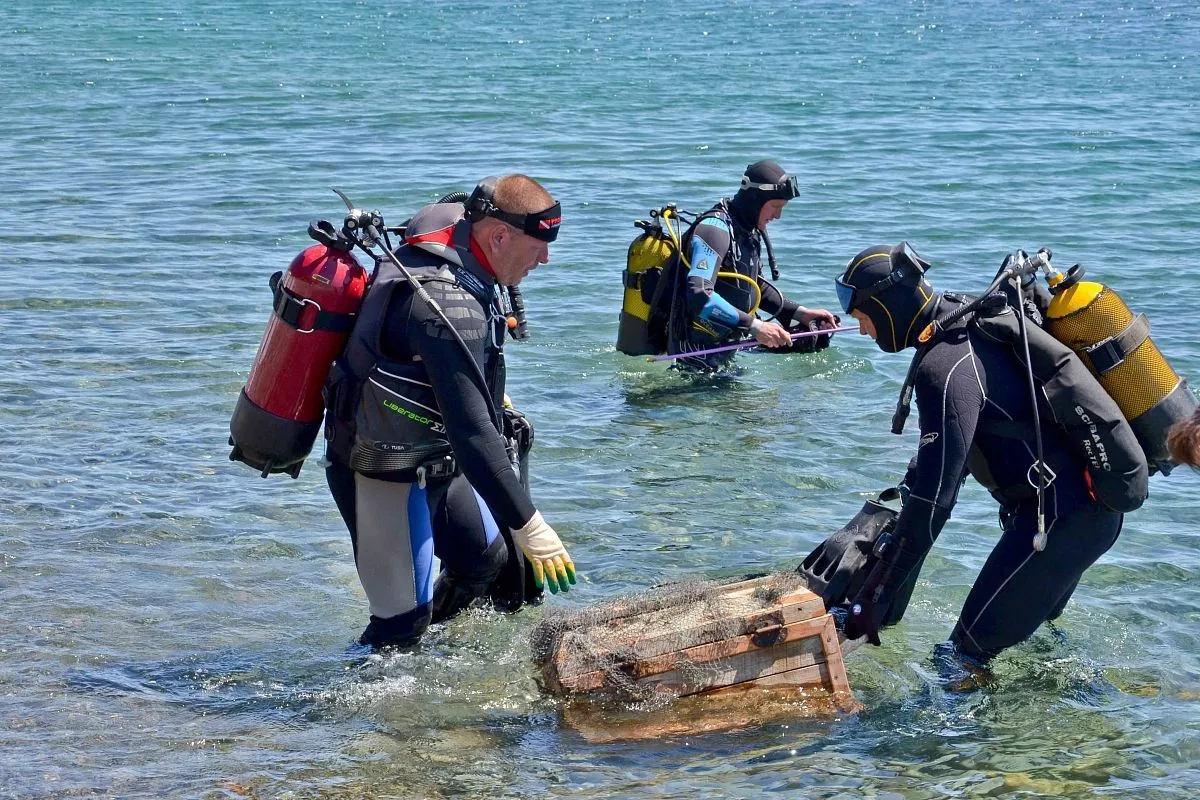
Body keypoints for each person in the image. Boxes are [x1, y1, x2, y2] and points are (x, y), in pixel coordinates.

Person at [830, 242, 1136, 664]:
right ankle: (1066, 722)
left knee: (961, 656)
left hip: (1061, 521)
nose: (863, 330)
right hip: (1078, 511)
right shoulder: (963, 320)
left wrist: (876, 594)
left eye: (862, 316)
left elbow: (936, 500)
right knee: (1033, 651)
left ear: (887, 304)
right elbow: (939, 470)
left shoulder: (944, 366)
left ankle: (945, 732)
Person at [322, 174, 577, 649]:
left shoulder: (463, 237)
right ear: (498, 235)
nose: (545, 259)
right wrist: (532, 525)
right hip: (382, 471)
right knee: (399, 626)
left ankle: (445, 695)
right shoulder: (444, 302)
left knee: (487, 564)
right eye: (538, 245)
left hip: (436, 457)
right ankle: (356, 710)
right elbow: (473, 434)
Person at [666, 160, 839, 371]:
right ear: (756, 199)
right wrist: (755, 327)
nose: (778, 215)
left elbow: (753, 285)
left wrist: (800, 313)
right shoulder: (714, 230)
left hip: (723, 354)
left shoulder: (746, 231)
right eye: (775, 206)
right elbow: (700, 294)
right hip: (693, 359)